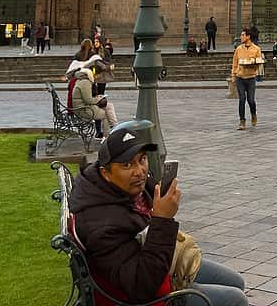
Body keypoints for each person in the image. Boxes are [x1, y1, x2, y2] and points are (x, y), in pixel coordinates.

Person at [68, 123, 248, 306]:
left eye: (142, 159)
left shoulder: (125, 188)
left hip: (158, 265)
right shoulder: (100, 224)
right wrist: (163, 219)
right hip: (145, 295)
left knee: (237, 282)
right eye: (127, 164)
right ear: (106, 173)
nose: (139, 171)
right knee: (235, 299)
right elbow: (142, 286)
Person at [230, 29, 263, 130]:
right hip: (240, 77)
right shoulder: (238, 49)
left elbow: (259, 62)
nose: (241, 37)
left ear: (248, 36)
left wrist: (253, 64)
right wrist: (233, 75)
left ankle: (253, 114)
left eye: (243, 35)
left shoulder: (256, 49)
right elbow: (234, 63)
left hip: (251, 77)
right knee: (242, 99)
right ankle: (242, 121)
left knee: (251, 100)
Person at [72, 66, 118, 138]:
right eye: (97, 75)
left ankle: (115, 126)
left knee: (109, 106)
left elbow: (87, 98)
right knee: (105, 115)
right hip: (84, 109)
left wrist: (97, 97)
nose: (98, 77)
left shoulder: (83, 81)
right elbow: (88, 100)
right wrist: (98, 99)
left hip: (84, 107)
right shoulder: (85, 83)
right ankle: (107, 136)